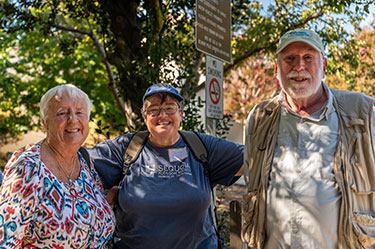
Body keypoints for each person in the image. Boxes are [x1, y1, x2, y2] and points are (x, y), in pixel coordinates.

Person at [241, 28, 375, 249]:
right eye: (290, 59)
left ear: (323, 66)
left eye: (308, 58)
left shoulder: (363, 112)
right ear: (277, 69)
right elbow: (252, 184)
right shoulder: (260, 117)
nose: (299, 66)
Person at [89, 82, 244, 249]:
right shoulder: (126, 148)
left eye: (170, 108)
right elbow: (76, 164)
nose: (162, 115)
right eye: (153, 110)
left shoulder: (201, 147)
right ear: (144, 117)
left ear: (181, 114)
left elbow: (256, 160)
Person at [0, 84, 115, 248]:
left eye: (80, 112)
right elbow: (5, 240)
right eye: (62, 113)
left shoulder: (84, 163)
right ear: (45, 123)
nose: (73, 119)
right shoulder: (28, 168)